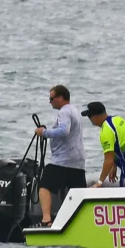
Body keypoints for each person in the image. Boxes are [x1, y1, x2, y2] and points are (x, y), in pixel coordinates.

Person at [35, 85, 85, 226]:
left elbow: (64, 131)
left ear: (61, 98)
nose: (49, 101)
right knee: (77, 192)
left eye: (51, 98)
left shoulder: (64, 111)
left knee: (44, 185)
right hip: (78, 161)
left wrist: (44, 133)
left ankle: (46, 220)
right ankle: (77, 222)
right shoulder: (74, 110)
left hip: (62, 161)